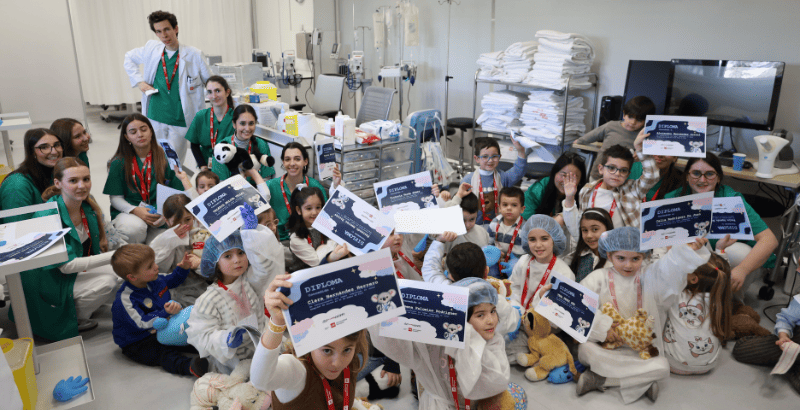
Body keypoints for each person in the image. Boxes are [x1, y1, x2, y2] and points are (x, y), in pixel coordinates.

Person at [576, 227, 711, 403]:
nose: (628, 265)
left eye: (635, 258)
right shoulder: (597, 278)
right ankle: (642, 382)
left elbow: (670, 270)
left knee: (662, 367)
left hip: (641, 351)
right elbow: (579, 306)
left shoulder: (649, 275)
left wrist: (686, 250)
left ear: (644, 256)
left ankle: (601, 379)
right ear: (609, 255)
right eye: (621, 258)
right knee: (585, 350)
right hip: (607, 346)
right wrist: (602, 328)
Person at [369, 277, 521, 409]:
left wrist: (470, 339)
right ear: (461, 319)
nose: (491, 320)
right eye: (480, 315)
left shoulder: (493, 342)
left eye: (493, 311)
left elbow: (494, 382)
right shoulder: (435, 346)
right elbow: (393, 344)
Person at [13, 158, 118, 339]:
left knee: (122, 271)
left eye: (86, 179)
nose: (82, 186)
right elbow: (66, 266)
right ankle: (74, 318)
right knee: (108, 282)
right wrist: (116, 255)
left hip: (67, 273)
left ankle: (83, 304)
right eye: (73, 181)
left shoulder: (86, 207)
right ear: (57, 183)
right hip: (50, 283)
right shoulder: (46, 216)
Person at [663, 153, 778, 298]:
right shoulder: (673, 199)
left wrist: (742, 270)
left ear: (718, 178)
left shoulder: (731, 200)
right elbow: (664, 245)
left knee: (740, 253)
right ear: (687, 176)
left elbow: (769, 240)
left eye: (710, 174)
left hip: (725, 257)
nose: (702, 180)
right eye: (696, 173)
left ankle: (733, 302)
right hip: (690, 257)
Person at [186, 206, 284, 374]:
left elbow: (265, 267)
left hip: (262, 346)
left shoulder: (249, 281)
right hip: (232, 362)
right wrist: (226, 339)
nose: (237, 260)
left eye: (241, 252)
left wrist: (251, 235)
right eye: (228, 256)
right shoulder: (209, 299)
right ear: (215, 262)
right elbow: (200, 335)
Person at [252, 273, 369, 409]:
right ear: (309, 342)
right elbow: (261, 380)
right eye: (327, 351)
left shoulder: (352, 361)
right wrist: (277, 323)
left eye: (347, 350)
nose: (337, 363)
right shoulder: (298, 371)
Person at [123, 10, 212, 164]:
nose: (164, 35)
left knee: (174, 163)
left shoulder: (194, 55)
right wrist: (139, 82)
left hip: (179, 119)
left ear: (175, 29)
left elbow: (211, 82)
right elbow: (129, 58)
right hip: (154, 115)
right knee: (154, 160)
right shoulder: (152, 49)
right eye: (158, 31)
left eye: (167, 29)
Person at [110, 244, 208, 377]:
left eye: (154, 262)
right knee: (163, 353)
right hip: (137, 340)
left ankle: (211, 349)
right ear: (133, 277)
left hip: (162, 326)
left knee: (189, 336)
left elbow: (172, 280)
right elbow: (141, 323)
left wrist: (183, 268)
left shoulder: (154, 279)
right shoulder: (125, 298)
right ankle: (190, 367)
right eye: (150, 266)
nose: (156, 267)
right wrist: (165, 312)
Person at [103, 114, 192, 244]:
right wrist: (135, 210)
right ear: (126, 137)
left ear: (151, 131)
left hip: (161, 213)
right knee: (133, 230)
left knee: (167, 243)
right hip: (131, 212)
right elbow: (115, 198)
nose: (140, 134)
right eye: (133, 132)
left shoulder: (167, 157)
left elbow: (178, 193)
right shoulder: (118, 162)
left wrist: (165, 214)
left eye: (144, 129)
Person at [562, 130, 658, 235]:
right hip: (595, 243)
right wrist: (569, 197)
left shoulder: (632, 189)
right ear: (601, 169)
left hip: (624, 244)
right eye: (611, 168)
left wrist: (639, 149)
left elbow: (652, 176)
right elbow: (580, 228)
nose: (617, 173)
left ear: (628, 174)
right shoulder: (587, 190)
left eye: (623, 170)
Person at [663, 253, 733, 375]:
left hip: (675, 364)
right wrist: (721, 250)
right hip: (708, 365)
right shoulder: (718, 298)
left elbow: (664, 272)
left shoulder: (677, 294)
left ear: (694, 279)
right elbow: (721, 270)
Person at [574, 96, 655, 181]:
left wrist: (640, 153)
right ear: (624, 114)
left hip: (621, 179)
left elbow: (650, 156)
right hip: (598, 175)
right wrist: (580, 141)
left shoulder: (644, 135)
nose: (632, 122)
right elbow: (593, 134)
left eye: (639, 120)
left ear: (646, 121)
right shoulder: (611, 126)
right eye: (630, 117)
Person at [732, 294, 800, 393]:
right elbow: (786, 319)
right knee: (741, 349)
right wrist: (783, 336)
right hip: (793, 343)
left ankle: (794, 363)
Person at [148, 193, 208, 306]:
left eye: (188, 219)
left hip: (202, 287)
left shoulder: (202, 236)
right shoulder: (161, 240)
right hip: (174, 291)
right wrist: (169, 240)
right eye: (177, 222)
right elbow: (156, 269)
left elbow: (213, 271)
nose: (184, 225)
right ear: (166, 221)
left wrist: (200, 263)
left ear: (193, 216)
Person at [265, 142, 333, 241]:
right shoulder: (270, 186)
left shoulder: (315, 186)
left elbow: (326, 218)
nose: (292, 163)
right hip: (279, 241)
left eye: (297, 159)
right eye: (287, 159)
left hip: (308, 239)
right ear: (283, 162)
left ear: (305, 161)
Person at [509, 215, 575, 311]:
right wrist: (518, 310)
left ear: (554, 240)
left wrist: (539, 301)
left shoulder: (564, 274)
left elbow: (559, 310)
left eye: (544, 239)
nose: (538, 245)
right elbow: (514, 287)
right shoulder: (523, 261)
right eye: (532, 239)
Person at [0, 128, 62, 223]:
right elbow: (17, 227)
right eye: (44, 147)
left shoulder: (52, 173)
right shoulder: (17, 185)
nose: (54, 151)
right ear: (32, 152)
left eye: (57, 145)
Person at [461, 136, 527, 225]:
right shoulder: (468, 180)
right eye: (485, 156)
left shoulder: (502, 177)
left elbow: (519, 171)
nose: (490, 160)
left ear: (500, 157)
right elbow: (460, 205)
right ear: (477, 159)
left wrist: (521, 151)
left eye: (494, 156)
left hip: (497, 225)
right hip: (474, 225)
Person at [286, 186, 347, 272]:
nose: (314, 212)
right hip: (308, 276)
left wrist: (322, 249)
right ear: (299, 210)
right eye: (309, 208)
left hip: (332, 270)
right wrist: (330, 249)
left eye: (318, 207)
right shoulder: (296, 238)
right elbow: (317, 263)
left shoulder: (326, 224)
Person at [210, 104, 275, 184]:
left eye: (251, 123)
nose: (247, 128)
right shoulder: (221, 147)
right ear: (234, 124)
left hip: (257, 189)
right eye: (242, 123)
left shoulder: (261, 145)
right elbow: (220, 182)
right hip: (231, 189)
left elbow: (267, 178)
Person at [186, 75, 235, 169]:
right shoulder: (201, 116)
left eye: (218, 91)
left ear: (227, 92)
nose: (214, 96)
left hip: (229, 166)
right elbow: (194, 144)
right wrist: (202, 165)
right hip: (206, 166)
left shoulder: (236, 118)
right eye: (210, 92)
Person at [522, 152, 587, 220]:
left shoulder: (584, 195)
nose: (566, 182)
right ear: (554, 173)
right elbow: (526, 215)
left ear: (581, 181)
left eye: (573, 177)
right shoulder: (540, 188)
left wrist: (570, 198)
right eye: (563, 175)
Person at [564, 208, 613, 282]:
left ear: (608, 229)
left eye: (595, 229)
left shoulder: (616, 260)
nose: (589, 235)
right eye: (585, 230)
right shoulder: (576, 257)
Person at [487, 187, 527, 269]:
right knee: (490, 272)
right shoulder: (494, 223)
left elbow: (528, 251)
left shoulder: (525, 228)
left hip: (517, 262)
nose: (509, 208)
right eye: (505, 205)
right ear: (499, 208)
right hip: (497, 260)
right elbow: (489, 243)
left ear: (522, 209)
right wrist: (494, 251)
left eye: (514, 205)